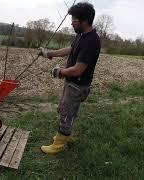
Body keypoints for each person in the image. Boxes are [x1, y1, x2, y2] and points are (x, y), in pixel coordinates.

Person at [39, 2, 101, 154]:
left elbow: (78, 70)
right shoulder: (81, 35)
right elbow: (71, 49)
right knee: (66, 109)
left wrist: (59, 71)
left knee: (67, 112)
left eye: (74, 20)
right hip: (72, 83)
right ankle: (67, 136)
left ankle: (59, 144)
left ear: (84, 20)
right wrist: (50, 53)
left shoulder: (91, 41)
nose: (71, 22)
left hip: (78, 85)